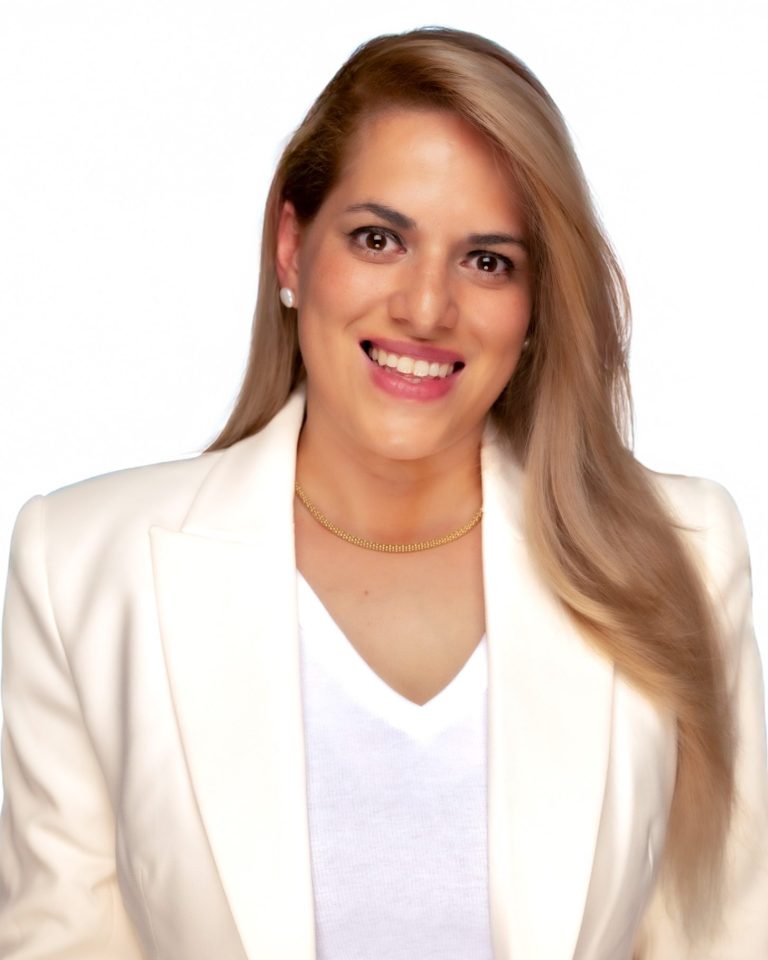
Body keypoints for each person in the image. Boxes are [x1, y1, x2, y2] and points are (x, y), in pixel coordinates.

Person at [1, 25, 766, 960]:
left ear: (534, 304)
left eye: (487, 260)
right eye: (378, 238)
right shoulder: (82, 566)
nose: (426, 307)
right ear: (292, 248)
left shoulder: (682, 552)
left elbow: (728, 936)